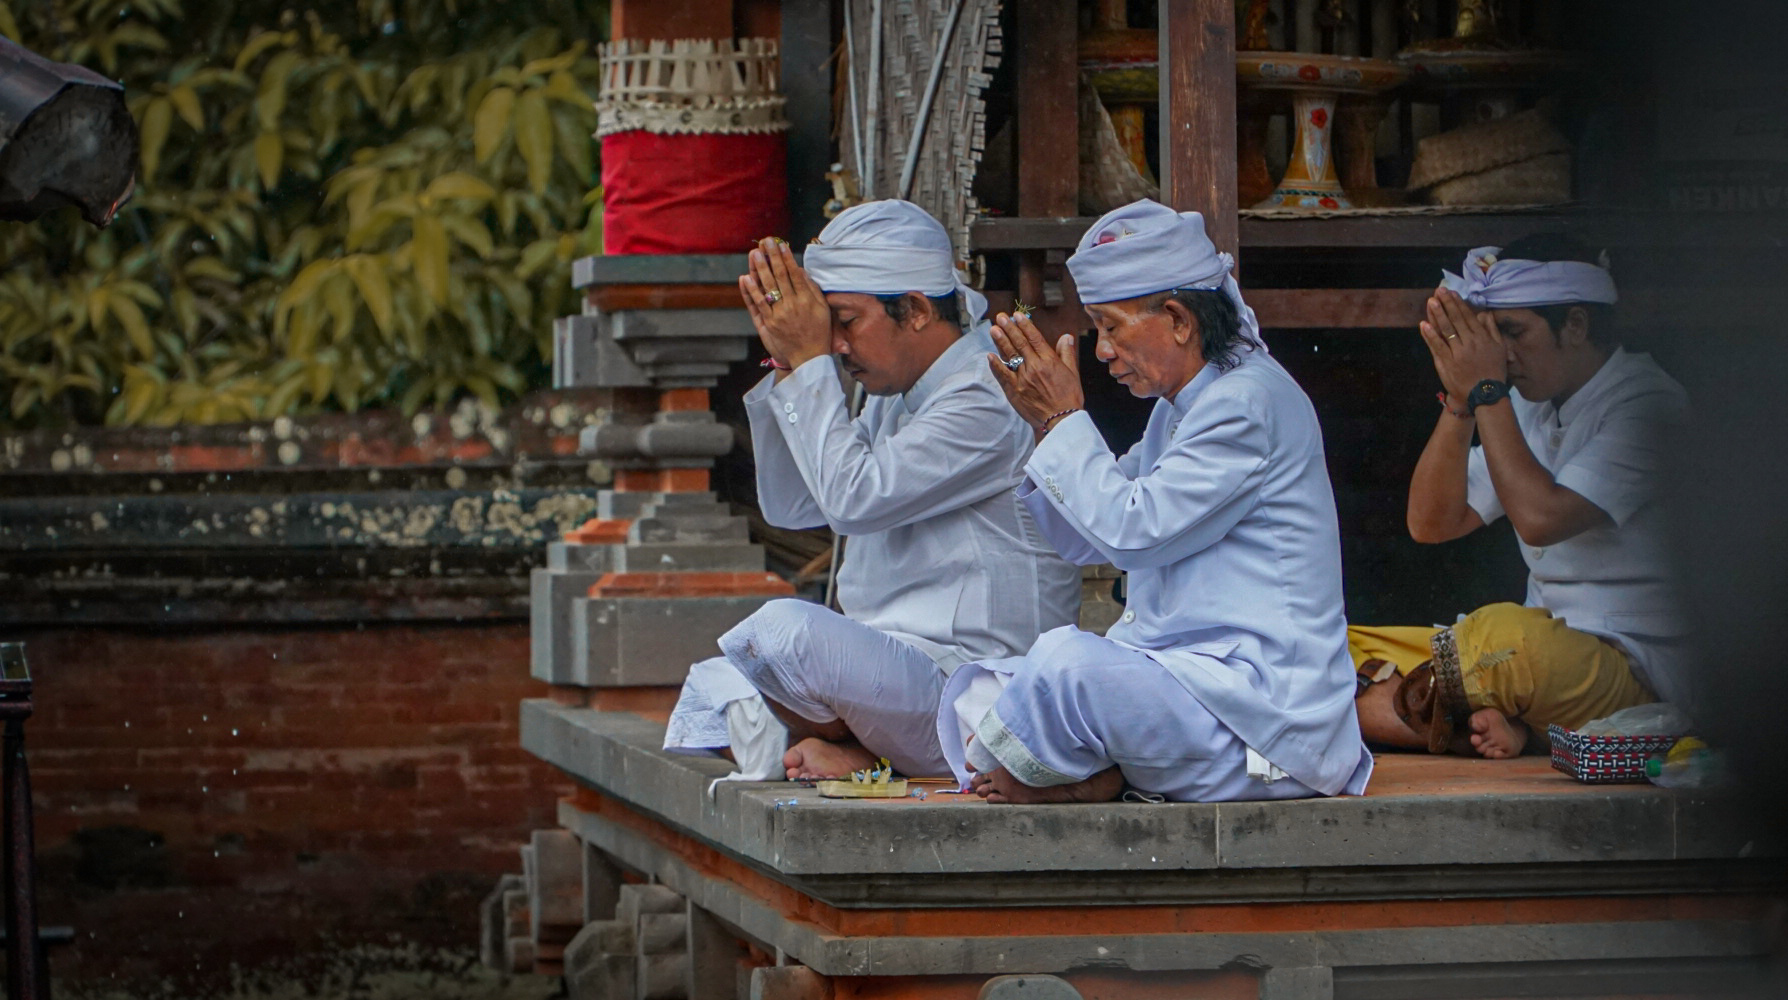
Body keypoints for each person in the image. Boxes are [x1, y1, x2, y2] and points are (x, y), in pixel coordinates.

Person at [934, 199, 1372, 804]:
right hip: (1191, 689)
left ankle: (1089, 772)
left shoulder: (1245, 403)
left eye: (1111, 327)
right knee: (983, 685)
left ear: (1178, 319)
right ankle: (1098, 771)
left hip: (1260, 721)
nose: (1103, 350)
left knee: (1064, 663)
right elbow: (1084, 534)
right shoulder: (1186, 405)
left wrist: (1063, 418)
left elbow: (1131, 534)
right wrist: (1046, 427)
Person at [663, 200, 1081, 783]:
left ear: (912, 310)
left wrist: (810, 364)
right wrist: (789, 364)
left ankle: (852, 742)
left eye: (845, 321)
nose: (834, 344)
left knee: (783, 632)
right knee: (715, 681)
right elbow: (797, 504)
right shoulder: (898, 396)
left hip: (972, 692)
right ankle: (859, 746)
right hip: (889, 680)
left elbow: (850, 500)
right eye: (825, 327)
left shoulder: (988, 391)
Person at [1347, 236, 1690, 758]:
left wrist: (1487, 389)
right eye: (1489, 335)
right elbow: (1431, 523)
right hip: (1537, 663)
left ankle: (1409, 717)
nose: (1500, 355)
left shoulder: (1649, 403)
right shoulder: (1528, 405)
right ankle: (1501, 725)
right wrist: (1461, 402)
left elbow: (1539, 518)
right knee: (1343, 646)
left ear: (1575, 325)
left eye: (1512, 332)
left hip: (1634, 669)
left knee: (1503, 642)